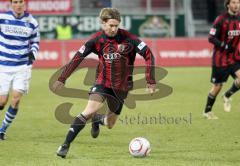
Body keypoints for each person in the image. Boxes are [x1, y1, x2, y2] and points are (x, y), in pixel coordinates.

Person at [52, 8, 156, 158]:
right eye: (110, 25)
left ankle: (98, 119)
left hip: (122, 87)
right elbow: (78, 57)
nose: (114, 29)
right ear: (103, 23)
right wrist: (62, 78)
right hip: (102, 81)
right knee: (88, 110)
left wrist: (150, 80)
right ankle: (65, 145)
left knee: (110, 124)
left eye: (116, 25)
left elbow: (148, 54)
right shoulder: (96, 40)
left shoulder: (129, 38)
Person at [0, 0, 40, 140]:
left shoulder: (32, 22)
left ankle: (2, 130)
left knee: (16, 100)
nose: (18, 4)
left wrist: (33, 53)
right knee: (2, 102)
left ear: (25, 3)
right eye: (15, 2)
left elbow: (35, 41)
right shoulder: (2, 18)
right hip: (3, 66)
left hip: (22, 66)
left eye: (21, 2)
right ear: (11, 4)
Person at [203, 0, 240, 119]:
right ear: (228, 4)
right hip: (220, 59)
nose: (236, 5)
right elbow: (211, 38)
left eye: (238, 3)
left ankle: (227, 95)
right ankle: (207, 111)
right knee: (217, 87)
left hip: (234, 58)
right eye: (233, 2)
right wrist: (224, 45)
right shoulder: (221, 19)